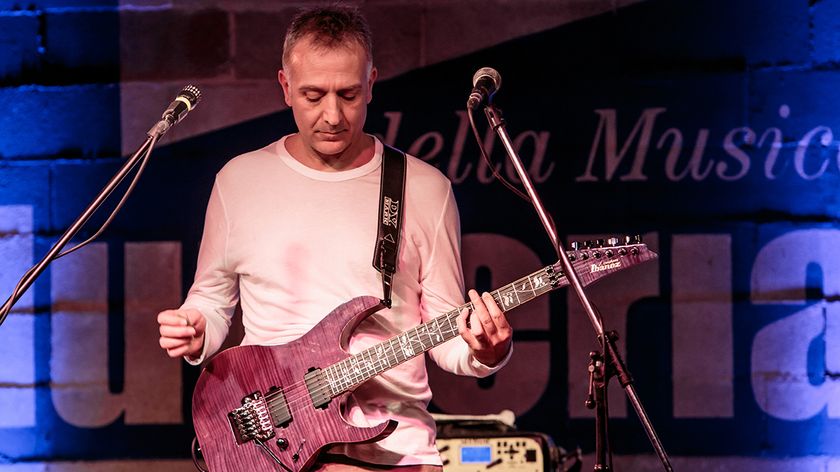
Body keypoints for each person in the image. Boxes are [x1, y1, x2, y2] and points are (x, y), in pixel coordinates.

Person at [156, 4, 512, 470]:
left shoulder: (423, 188)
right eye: (313, 94)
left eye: (348, 94)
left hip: (395, 450)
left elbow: (446, 331)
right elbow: (211, 302)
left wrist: (488, 349)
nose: (332, 115)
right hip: (272, 448)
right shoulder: (238, 181)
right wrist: (196, 327)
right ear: (284, 86)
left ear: (371, 83)